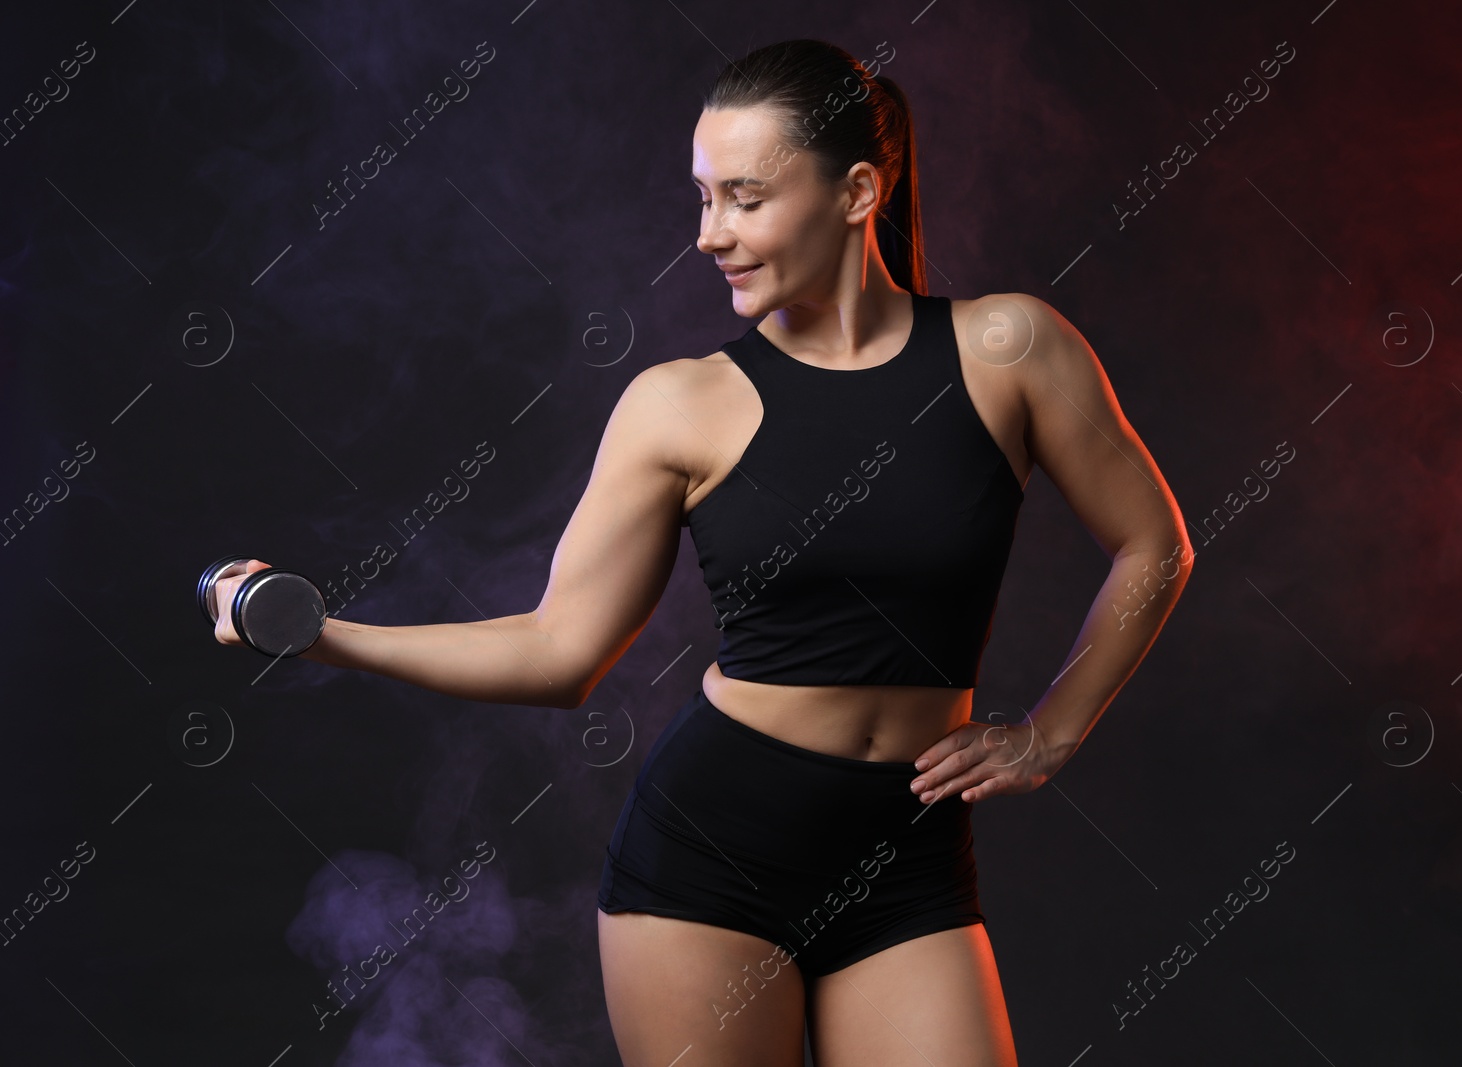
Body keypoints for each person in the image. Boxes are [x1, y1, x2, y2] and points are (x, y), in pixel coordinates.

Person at [212, 37, 1193, 1067]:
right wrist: (328, 636)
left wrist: (1051, 731)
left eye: (743, 198)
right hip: (710, 858)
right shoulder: (679, 405)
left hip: (906, 859)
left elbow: (1153, 545)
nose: (708, 234)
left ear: (857, 190)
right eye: (701, 198)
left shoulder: (1010, 350)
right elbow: (558, 651)